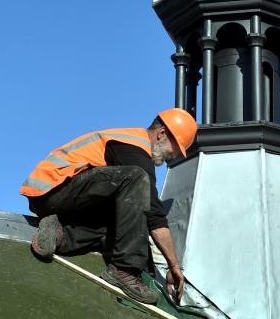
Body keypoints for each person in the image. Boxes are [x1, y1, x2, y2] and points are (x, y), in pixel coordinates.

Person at [19, 108, 197, 305]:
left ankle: (61, 234)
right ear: (161, 134)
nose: (172, 156)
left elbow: (134, 221)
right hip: (53, 190)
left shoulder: (133, 146)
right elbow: (153, 214)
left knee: (125, 229)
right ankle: (125, 270)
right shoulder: (134, 146)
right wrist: (174, 265)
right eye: (175, 148)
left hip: (63, 199)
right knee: (138, 179)